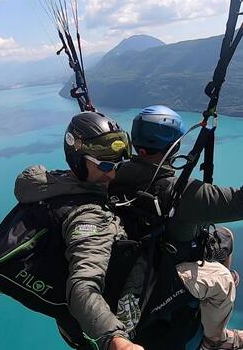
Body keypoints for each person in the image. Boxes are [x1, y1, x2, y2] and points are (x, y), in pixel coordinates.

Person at [109, 105, 243, 350]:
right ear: (175, 146)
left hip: (137, 258)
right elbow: (239, 203)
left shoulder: (113, 174)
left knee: (224, 237)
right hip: (163, 275)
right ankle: (216, 340)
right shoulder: (183, 193)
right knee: (224, 279)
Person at [14, 111, 145, 350]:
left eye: (117, 164)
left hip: (70, 324)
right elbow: (82, 286)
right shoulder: (87, 215)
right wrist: (117, 342)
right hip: (110, 319)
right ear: (77, 159)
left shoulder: (53, 183)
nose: (112, 174)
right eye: (105, 165)